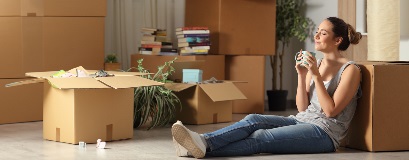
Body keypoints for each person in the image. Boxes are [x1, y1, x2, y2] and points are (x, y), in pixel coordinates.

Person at [171, 17, 363, 158]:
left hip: (325, 134)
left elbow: (330, 111)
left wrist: (315, 75)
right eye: (317, 31)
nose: (316, 35)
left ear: (337, 40)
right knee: (254, 119)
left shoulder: (350, 70)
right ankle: (202, 142)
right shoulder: (318, 64)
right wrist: (302, 75)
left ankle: (195, 148)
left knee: (261, 137)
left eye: (323, 32)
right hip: (302, 120)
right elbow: (302, 108)